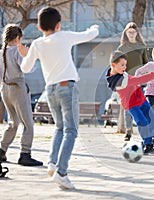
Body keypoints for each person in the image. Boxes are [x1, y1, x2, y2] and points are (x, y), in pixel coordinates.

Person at [18, 7, 99, 189]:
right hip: (66, 87)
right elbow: (87, 35)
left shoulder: (38, 44)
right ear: (58, 25)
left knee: (60, 128)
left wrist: (26, 55)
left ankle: (53, 163)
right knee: (71, 130)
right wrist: (95, 28)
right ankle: (61, 172)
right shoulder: (63, 36)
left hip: (50, 89)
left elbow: (25, 68)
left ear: (39, 27)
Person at [0, 24, 43, 166]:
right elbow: (29, 68)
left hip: (5, 88)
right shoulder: (17, 52)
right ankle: (25, 154)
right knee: (28, 123)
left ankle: (1, 151)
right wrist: (28, 55)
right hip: (18, 88)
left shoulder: (1, 53)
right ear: (18, 38)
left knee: (13, 123)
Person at [106, 51, 154, 154]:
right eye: (122, 65)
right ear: (113, 65)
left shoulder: (117, 72)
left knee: (152, 118)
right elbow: (139, 80)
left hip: (141, 99)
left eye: (125, 64)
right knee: (142, 122)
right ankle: (148, 145)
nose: (125, 67)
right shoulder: (119, 81)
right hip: (132, 104)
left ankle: (146, 141)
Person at [117, 22, 149, 141]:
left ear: (137, 33)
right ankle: (128, 130)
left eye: (133, 32)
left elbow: (146, 63)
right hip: (126, 81)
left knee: (140, 105)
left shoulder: (142, 46)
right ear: (125, 33)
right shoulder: (122, 48)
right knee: (127, 105)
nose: (131, 34)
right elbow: (117, 65)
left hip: (139, 81)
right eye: (129, 32)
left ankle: (145, 130)